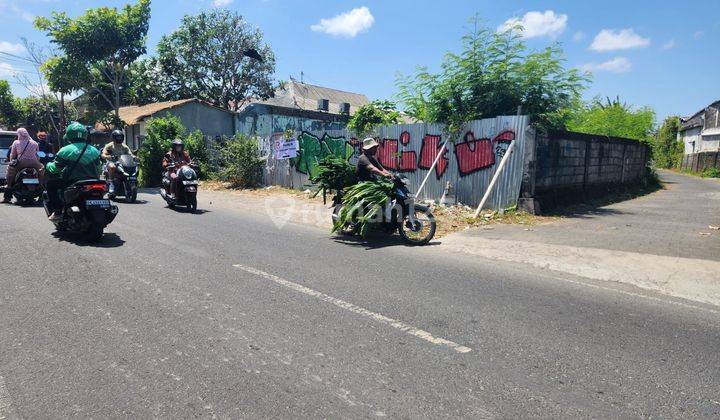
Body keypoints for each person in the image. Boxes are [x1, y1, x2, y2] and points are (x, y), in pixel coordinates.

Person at [45, 122, 102, 221]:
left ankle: (58, 211)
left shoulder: (65, 151)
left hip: (72, 182)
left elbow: (55, 169)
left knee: (51, 184)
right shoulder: (94, 150)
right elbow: (99, 170)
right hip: (93, 181)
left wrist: (48, 165)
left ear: (69, 135)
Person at [3, 128, 45, 203]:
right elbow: (38, 155)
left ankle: (8, 193)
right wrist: (37, 163)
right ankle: (41, 185)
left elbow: (12, 155)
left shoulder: (16, 142)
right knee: (41, 171)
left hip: (21, 162)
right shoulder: (35, 143)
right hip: (34, 162)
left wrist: (12, 162)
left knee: (10, 173)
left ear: (18, 134)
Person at [101, 129, 134, 194]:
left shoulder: (124, 146)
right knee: (112, 167)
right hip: (111, 162)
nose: (119, 138)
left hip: (122, 162)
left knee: (132, 166)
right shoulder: (109, 145)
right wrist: (107, 156)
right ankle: (111, 184)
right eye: (118, 137)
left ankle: (130, 183)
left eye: (120, 137)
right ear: (113, 137)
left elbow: (130, 154)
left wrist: (134, 157)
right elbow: (103, 154)